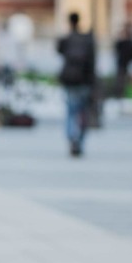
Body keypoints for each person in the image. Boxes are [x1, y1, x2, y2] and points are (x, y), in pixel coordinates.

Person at [57, 11, 96, 157]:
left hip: (70, 79)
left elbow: (59, 51)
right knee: (82, 112)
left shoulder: (66, 39)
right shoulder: (87, 39)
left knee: (71, 111)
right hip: (84, 80)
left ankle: (72, 137)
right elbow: (92, 62)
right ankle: (79, 139)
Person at [114, 23, 132, 100]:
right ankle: (121, 97)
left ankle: (127, 97)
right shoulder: (122, 42)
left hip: (127, 66)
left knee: (128, 84)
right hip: (122, 65)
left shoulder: (131, 43)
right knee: (121, 83)